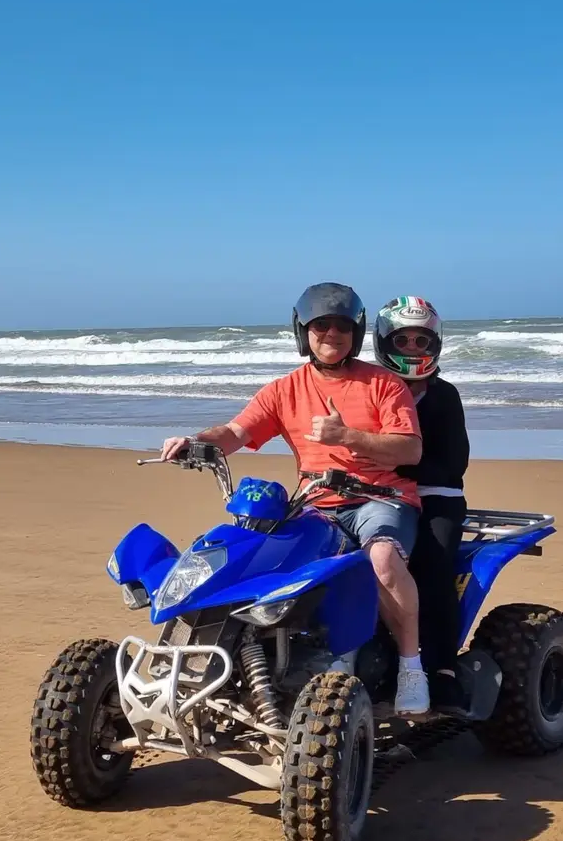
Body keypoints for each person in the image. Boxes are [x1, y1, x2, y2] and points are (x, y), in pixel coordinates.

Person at [159, 283, 431, 714]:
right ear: (303, 331)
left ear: (356, 333)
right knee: (256, 557)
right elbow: (236, 432)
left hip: (381, 500)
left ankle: (411, 667)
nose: (331, 334)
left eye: (341, 326)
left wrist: (347, 436)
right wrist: (195, 442)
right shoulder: (284, 390)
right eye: (321, 325)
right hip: (314, 504)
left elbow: (409, 449)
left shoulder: (383, 384)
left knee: (381, 559)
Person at [373, 295, 470, 710]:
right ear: (384, 342)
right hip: (378, 496)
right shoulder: (371, 389)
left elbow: (454, 465)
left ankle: (443, 670)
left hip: (436, 497)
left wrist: (399, 465)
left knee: (432, 567)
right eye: (403, 340)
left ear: (435, 344)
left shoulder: (443, 395)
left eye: (421, 340)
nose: (412, 348)